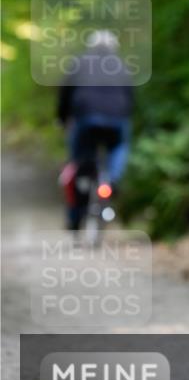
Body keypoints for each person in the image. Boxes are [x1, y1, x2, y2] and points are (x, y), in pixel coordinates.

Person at [57, 30, 134, 230]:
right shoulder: (121, 65)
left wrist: (61, 119)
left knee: (77, 163)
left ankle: (75, 217)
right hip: (117, 118)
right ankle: (113, 179)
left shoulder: (79, 62)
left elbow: (65, 94)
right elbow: (131, 96)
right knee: (119, 146)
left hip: (85, 119)